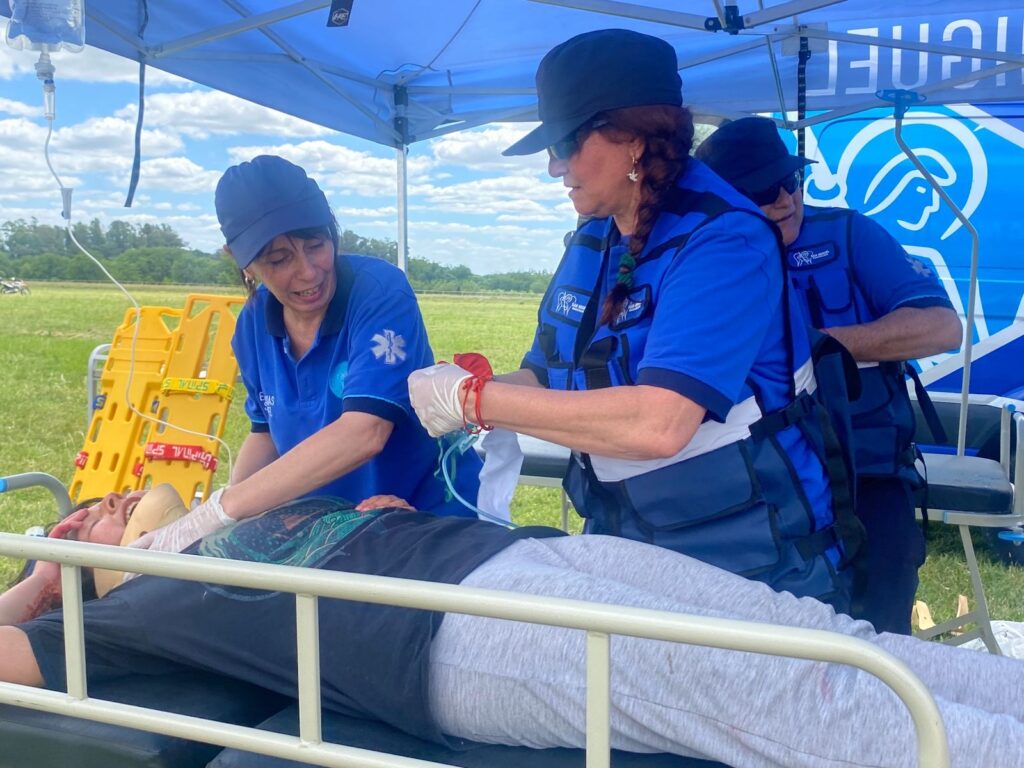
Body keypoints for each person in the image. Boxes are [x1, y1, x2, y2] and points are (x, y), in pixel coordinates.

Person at [1, 490, 1023, 768]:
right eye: (88, 510)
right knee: (802, 694)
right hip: (442, 637)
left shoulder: (230, 515)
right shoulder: (124, 607)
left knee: (817, 628)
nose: (113, 502)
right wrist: (49, 575)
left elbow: (385, 511)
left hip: (501, 555)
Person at [407, 29, 863, 611]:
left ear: (635, 140)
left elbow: (659, 424)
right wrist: (474, 386)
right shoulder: (592, 239)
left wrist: (475, 403)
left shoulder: (725, 240)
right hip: (626, 548)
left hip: (753, 565)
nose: (553, 167)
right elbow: (548, 376)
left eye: (565, 142)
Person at [695, 117, 963, 634]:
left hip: (868, 475)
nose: (784, 198)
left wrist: (817, 348)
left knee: (880, 635)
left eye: (791, 180)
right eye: (762, 188)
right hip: (756, 489)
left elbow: (941, 328)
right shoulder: (702, 259)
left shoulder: (848, 234)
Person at [133, 155, 480, 555]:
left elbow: (364, 432)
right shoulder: (252, 326)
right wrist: (221, 519)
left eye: (317, 246)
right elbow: (265, 436)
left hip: (420, 519)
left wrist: (221, 510)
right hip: (322, 534)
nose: (309, 272)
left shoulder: (378, 291)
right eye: (279, 260)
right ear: (242, 261)